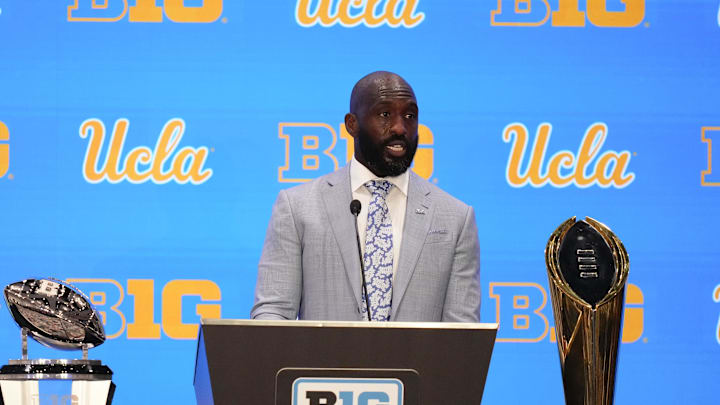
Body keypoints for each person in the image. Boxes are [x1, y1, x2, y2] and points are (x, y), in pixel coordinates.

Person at [251, 71, 480, 322]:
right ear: (352, 124)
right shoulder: (297, 207)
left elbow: (463, 332)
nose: (400, 128)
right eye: (384, 114)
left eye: (410, 116)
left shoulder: (455, 218)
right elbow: (273, 313)